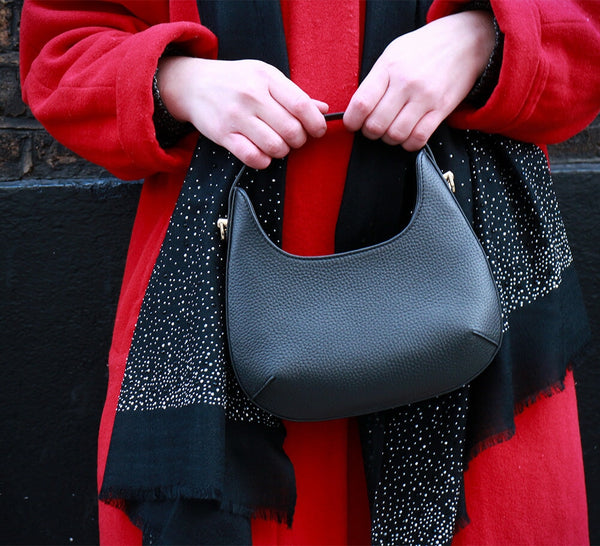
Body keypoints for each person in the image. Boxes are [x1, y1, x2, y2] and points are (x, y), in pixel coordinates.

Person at [20, 0, 600, 544]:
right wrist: (181, 83)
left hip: (475, 301)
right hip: (215, 312)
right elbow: (61, 48)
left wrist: (482, 40)